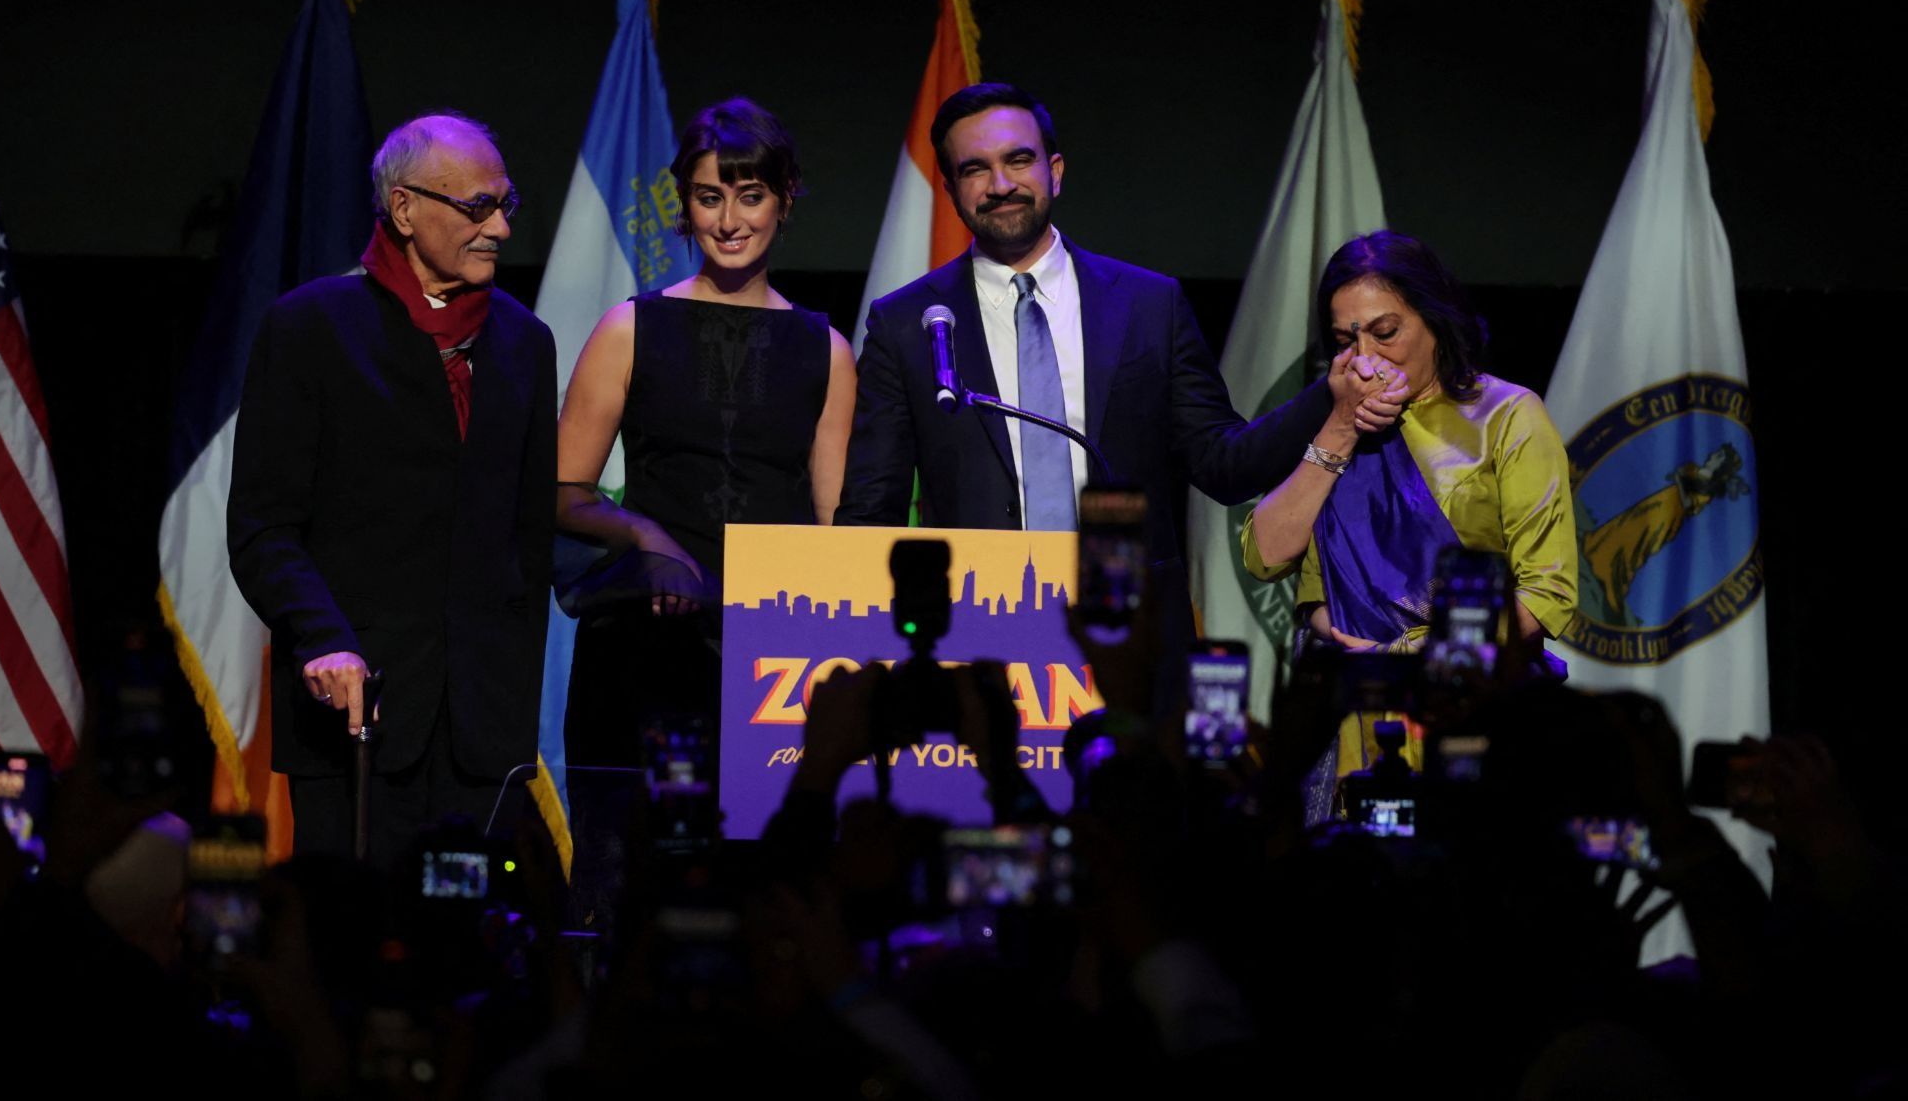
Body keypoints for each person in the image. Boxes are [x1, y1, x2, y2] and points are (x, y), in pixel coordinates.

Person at [835, 82, 1390, 642]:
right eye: (975, 169)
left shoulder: (1150, 305)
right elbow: (870, 510)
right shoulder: (908, 323)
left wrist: (1329, 394)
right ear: (951, 188)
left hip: (1135, 637)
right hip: (974, 632)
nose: (1000, 185)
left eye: (1018, 160)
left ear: (1055, 170)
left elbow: (1225, 466)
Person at [227, 112, 558, 869]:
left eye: (507, 204)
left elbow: (527, 538)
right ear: (404, 208)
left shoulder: (525, 343)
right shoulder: (311, 328)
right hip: (355, 720)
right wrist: (323, 637)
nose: (501, 227)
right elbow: (263, 524)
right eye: (479, 206)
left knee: (470, 966)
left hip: (482, 734)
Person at [554, 97, 857, 764]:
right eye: (708, 196)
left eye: (750, 196)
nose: (728, 221)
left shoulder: (826, 349)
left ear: (784, 198)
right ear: (684, 205)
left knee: (767, 860)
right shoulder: (628, 329)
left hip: (776, 650)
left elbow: (836, 521)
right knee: (633, 856)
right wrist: (646, 534)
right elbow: (561, 490)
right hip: (645, 644)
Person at [1240, 229, 1577, 815]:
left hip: (1470, 710)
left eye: (1385, 332)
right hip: (1354, 718)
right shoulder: (1336, 423)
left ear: (1434, 320)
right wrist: (1342, 427)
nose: (1366, 358)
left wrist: (1412, 653)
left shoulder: (1507, 416)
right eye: (1347, 340)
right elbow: (1266, 557)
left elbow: (1549, 594)